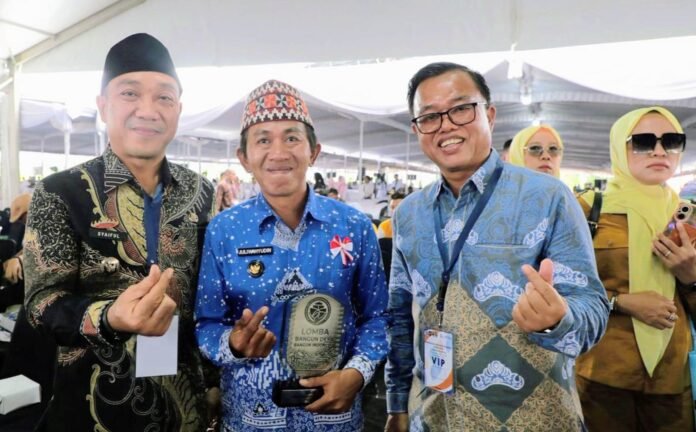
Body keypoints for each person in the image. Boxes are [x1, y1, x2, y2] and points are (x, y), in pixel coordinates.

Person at [384, 62, 609, 431]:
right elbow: (398, 316)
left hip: (532, 418)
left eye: (460, 108)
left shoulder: (547, 197)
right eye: (430, 116)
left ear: (489, 115)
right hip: (433, 416)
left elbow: (593, 307)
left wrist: (558, 319)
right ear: (417, 129)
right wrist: (396, 405)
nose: (445, 125)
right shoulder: (409, 213)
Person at [22, 33, 216, 432]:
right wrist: (109, 316)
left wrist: (215, 381)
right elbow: (41, 304)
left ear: (178, 109)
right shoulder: (61, 192)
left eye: (164, 97)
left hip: (185, 411)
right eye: (130, 93)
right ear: (103, 105)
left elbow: (209, 297)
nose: (148, 110)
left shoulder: (201, 192)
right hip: (91, 408)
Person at [195, 79, 389, 431]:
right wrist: (233, 345)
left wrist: (356, 374)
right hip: (250, 421)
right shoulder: (224, 230)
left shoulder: (354, 227)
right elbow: (206, 323)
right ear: (244, 158)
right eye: (263, 140)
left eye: (292, 138)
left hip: (334, 420)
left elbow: (378, 317)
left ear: (314, 152)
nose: (279, 152)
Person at [575, 107, 696, 431]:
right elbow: (560, 287)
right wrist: (620, 302)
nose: (659, 151)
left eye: (671, 141)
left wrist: (690, 278)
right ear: (619, 145)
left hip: (672, 379)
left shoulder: (688, 216)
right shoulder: (588, 208)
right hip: (604, 374)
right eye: (643, 142)